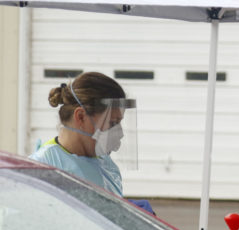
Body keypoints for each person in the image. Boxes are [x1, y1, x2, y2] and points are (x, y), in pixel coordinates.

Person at [29, 72, 153, 214]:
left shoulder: (106, 165)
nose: (119, 133)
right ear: (81, 117)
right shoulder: (42, 171)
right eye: (112, 123)